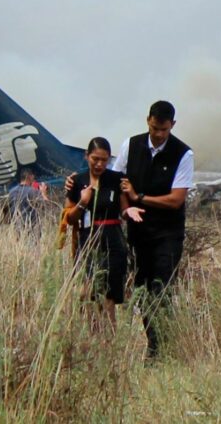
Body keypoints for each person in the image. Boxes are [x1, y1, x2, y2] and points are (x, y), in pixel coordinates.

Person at [113, 101, 194, 357]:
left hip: (168, 234)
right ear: (147, 120)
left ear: (173, 125)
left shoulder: (183, 154)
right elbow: (118, 182)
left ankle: (162, 347)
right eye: (155, 127)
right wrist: (127, 209)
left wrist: (140, 198)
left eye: (164, 129)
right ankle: (153, 344)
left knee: (161, 288)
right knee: (143, 288)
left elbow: (176, 199)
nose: (159, 134)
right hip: (139, 232)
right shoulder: (131, 145)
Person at [64, 137, 144, 328]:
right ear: (86, 156)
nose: (99, 164)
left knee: (108, 294)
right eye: (95, 159)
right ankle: (89, 333)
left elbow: (123, 210)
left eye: (104, 160)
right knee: (86, 291)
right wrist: (83, 202)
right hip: (87, 239)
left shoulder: (116, 179)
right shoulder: (76, 181)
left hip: (112, 239)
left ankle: (108, 339)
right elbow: (68, 218)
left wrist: (129, 211)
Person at [7, 167, 48, 238]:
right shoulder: (32, 191)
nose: (34, 178)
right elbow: (46, 205)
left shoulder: (11, 192)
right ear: (29, 176)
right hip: (31, 229)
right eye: (32, 176)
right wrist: (43, 193)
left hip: (17, 228)